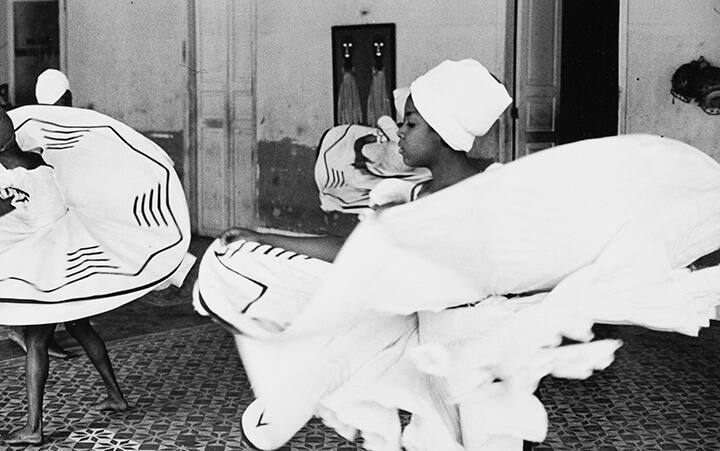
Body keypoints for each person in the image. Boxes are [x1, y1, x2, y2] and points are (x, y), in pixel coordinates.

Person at [196, 58, 720, 451]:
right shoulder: (416, 198)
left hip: (484, 341)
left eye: (412, 124)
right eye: (403, 121)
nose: (398, 131)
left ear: (444, 134)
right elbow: (356, 253)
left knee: (489, 438)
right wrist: (264, 238)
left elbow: (534, 263)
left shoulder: (493, 196)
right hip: (432, 334)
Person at [0, 103, 193, 445]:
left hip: (53, 258)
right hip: (60, 246)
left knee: (36, 341)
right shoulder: (33, 160)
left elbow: (7, 207)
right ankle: (115, 396)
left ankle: (34, 428)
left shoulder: (14, 170)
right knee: (79, 325)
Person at [6, 68, 76, 360]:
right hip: (43, 210)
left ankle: (36, 333)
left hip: (40, 207)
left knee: (48, 276)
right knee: (48, 275)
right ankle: (33, 334)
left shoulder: (30, 123)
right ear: (67, 97)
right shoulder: (48, 125)